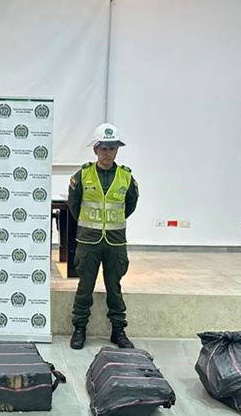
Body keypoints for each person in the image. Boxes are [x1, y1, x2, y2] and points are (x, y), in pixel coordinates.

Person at [68, 123, 139, 350]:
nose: (108, 153)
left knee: (114, 288)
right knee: (84, 288)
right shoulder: (82, 175)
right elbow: (74, 205)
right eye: (104, 148)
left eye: (113, 148)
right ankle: (79, 328)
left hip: (115, 241)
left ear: (117, 150)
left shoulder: (126, 177)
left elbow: (130, 205)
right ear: (95, 149)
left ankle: (118, 331)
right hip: (88, 241)